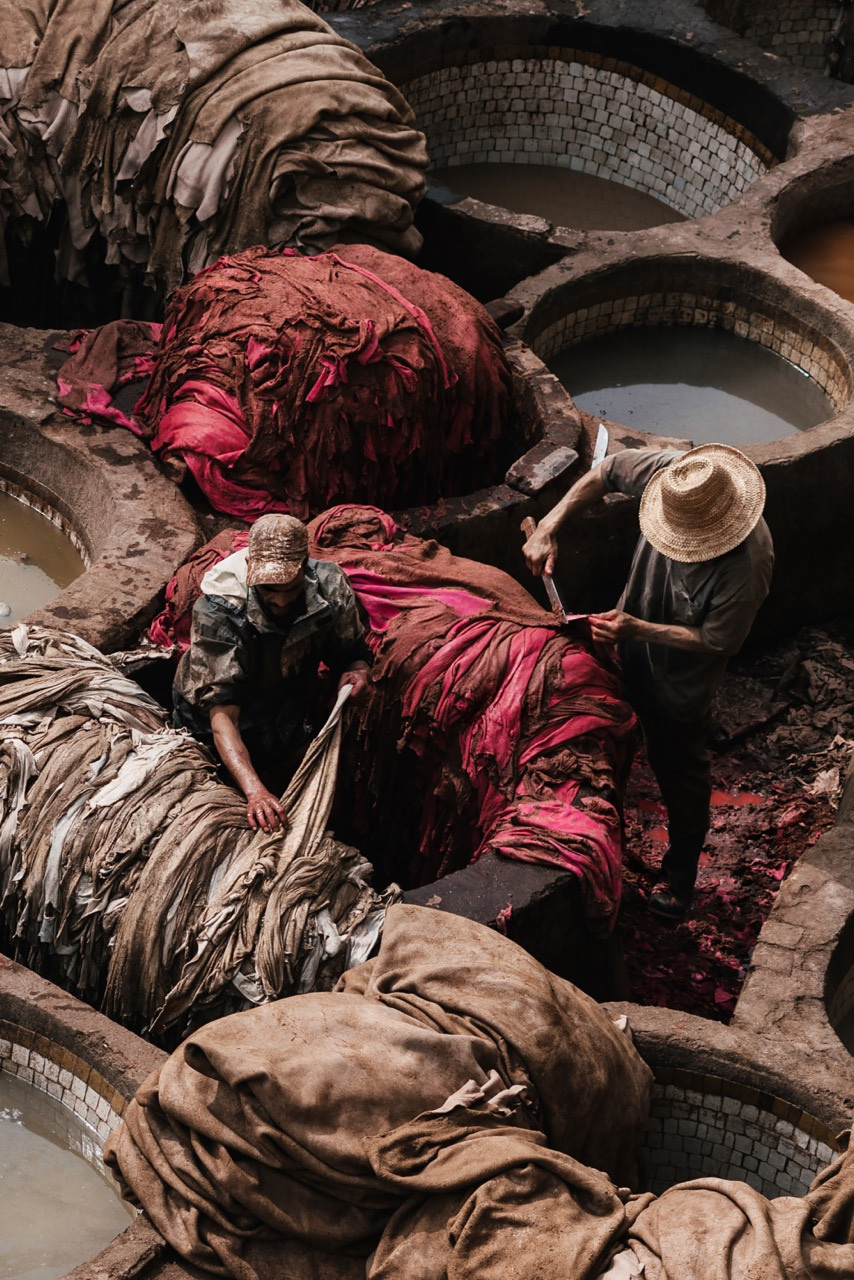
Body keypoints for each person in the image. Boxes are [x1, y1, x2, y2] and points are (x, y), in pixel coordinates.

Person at [523, 443, 774, 921]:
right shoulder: (677, 475)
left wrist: (639, 629)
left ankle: (680, 879)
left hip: (679, 681)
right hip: (624, 644)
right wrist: (551, 524)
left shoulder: (747, 562)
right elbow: (607, 470)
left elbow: (720, 641)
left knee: (680, 768)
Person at [173, 513, 371, 833]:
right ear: (251, 566)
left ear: (305, 566)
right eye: (268, 589)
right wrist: (255, 791)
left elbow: (354, 655)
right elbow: (223, 716)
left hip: (281, 717)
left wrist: (358, 674)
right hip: (212, 730)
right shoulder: (220, 610)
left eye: (290, 589)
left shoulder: (331, 587)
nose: (280, 600)